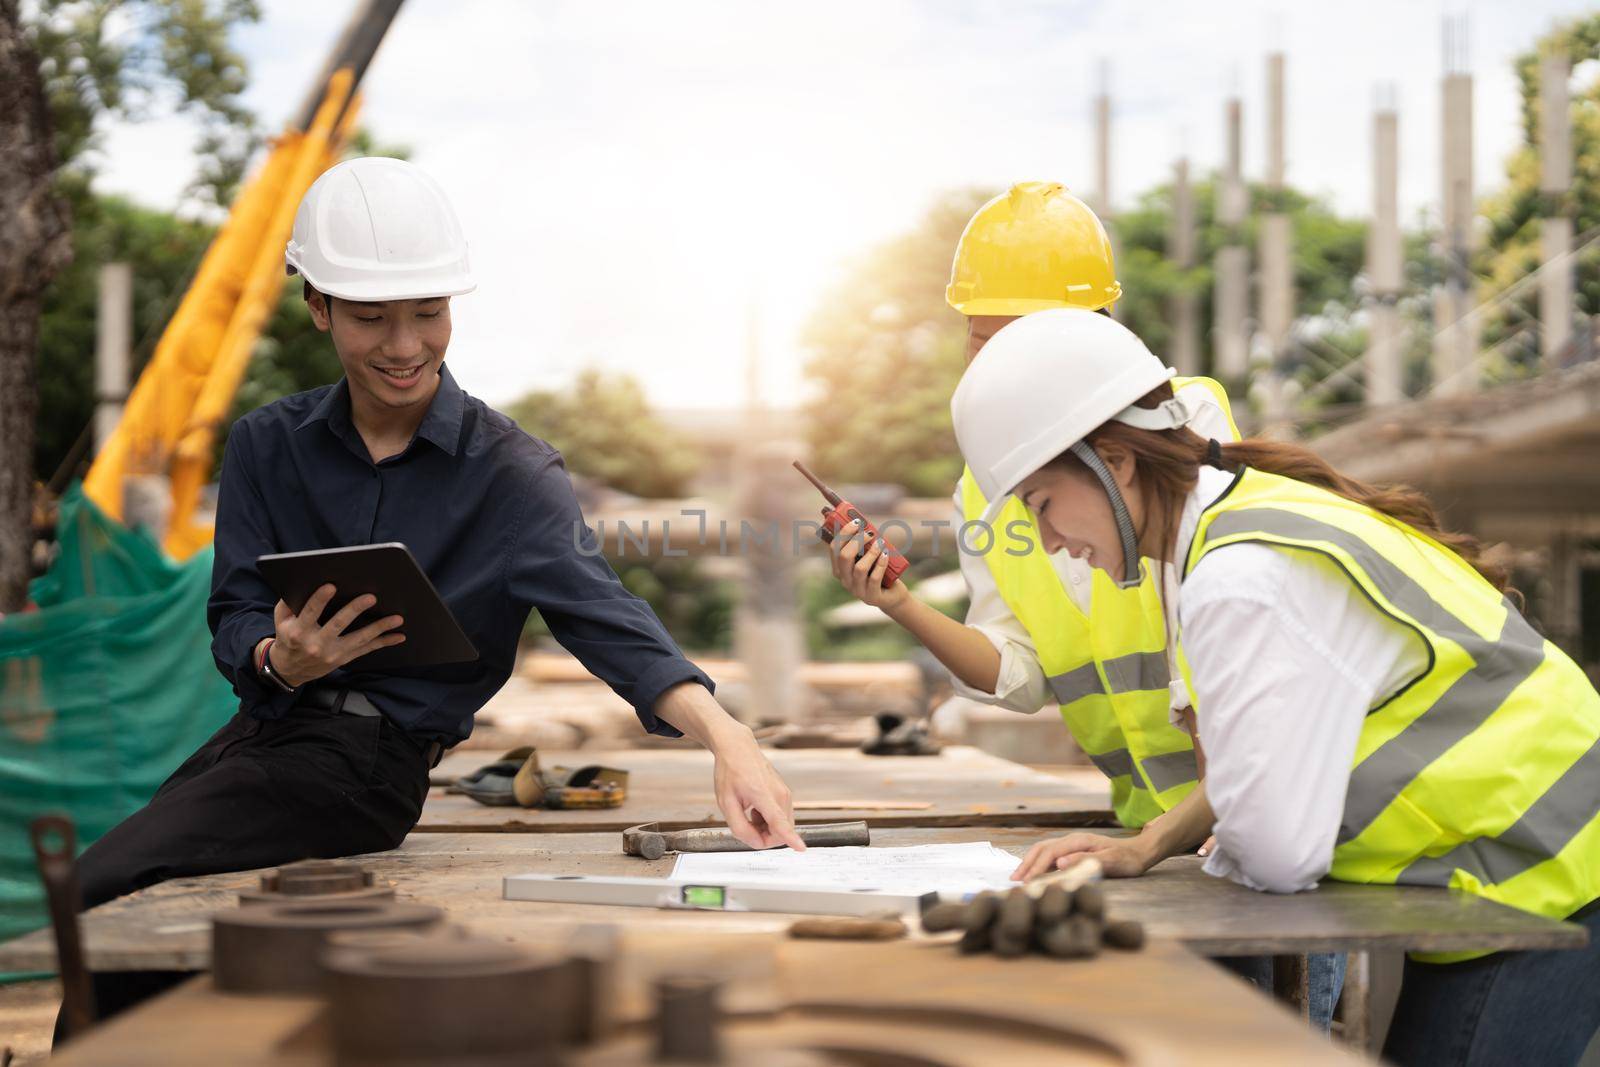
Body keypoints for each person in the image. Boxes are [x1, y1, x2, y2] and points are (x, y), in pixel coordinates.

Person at [76, 156, 803, 913]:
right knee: (114, 910)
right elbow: (236, 611)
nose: (404, 345)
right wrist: (278, 657)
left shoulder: (510, 472)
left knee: (103, 883)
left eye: (428, 313)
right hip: (260, 736)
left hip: (368, 770)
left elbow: (610, 621)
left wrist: (729, 738)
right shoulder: (267, 444)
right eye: (371, 317)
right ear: (318, 306)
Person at [952, 308, 1600, 1065]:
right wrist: (1154, 842)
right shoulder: (1244, 518)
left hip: (1552, 869)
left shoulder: (1238, 578)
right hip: (1525, 860)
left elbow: (1277, 851)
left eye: (1042, 503)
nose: (1050, 538)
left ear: (1115, 461)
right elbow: (1260, 772)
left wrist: (1225, 835)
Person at [830, 184, 1342, 1026]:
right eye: (978, 340)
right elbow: (1021, 672)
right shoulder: (989, 485)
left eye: (1011, 342)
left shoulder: (1178, 424)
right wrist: (901, 605)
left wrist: (1196, 823)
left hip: (1257, 830)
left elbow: (1227, 647)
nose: (989, 367)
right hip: (1153, 846)